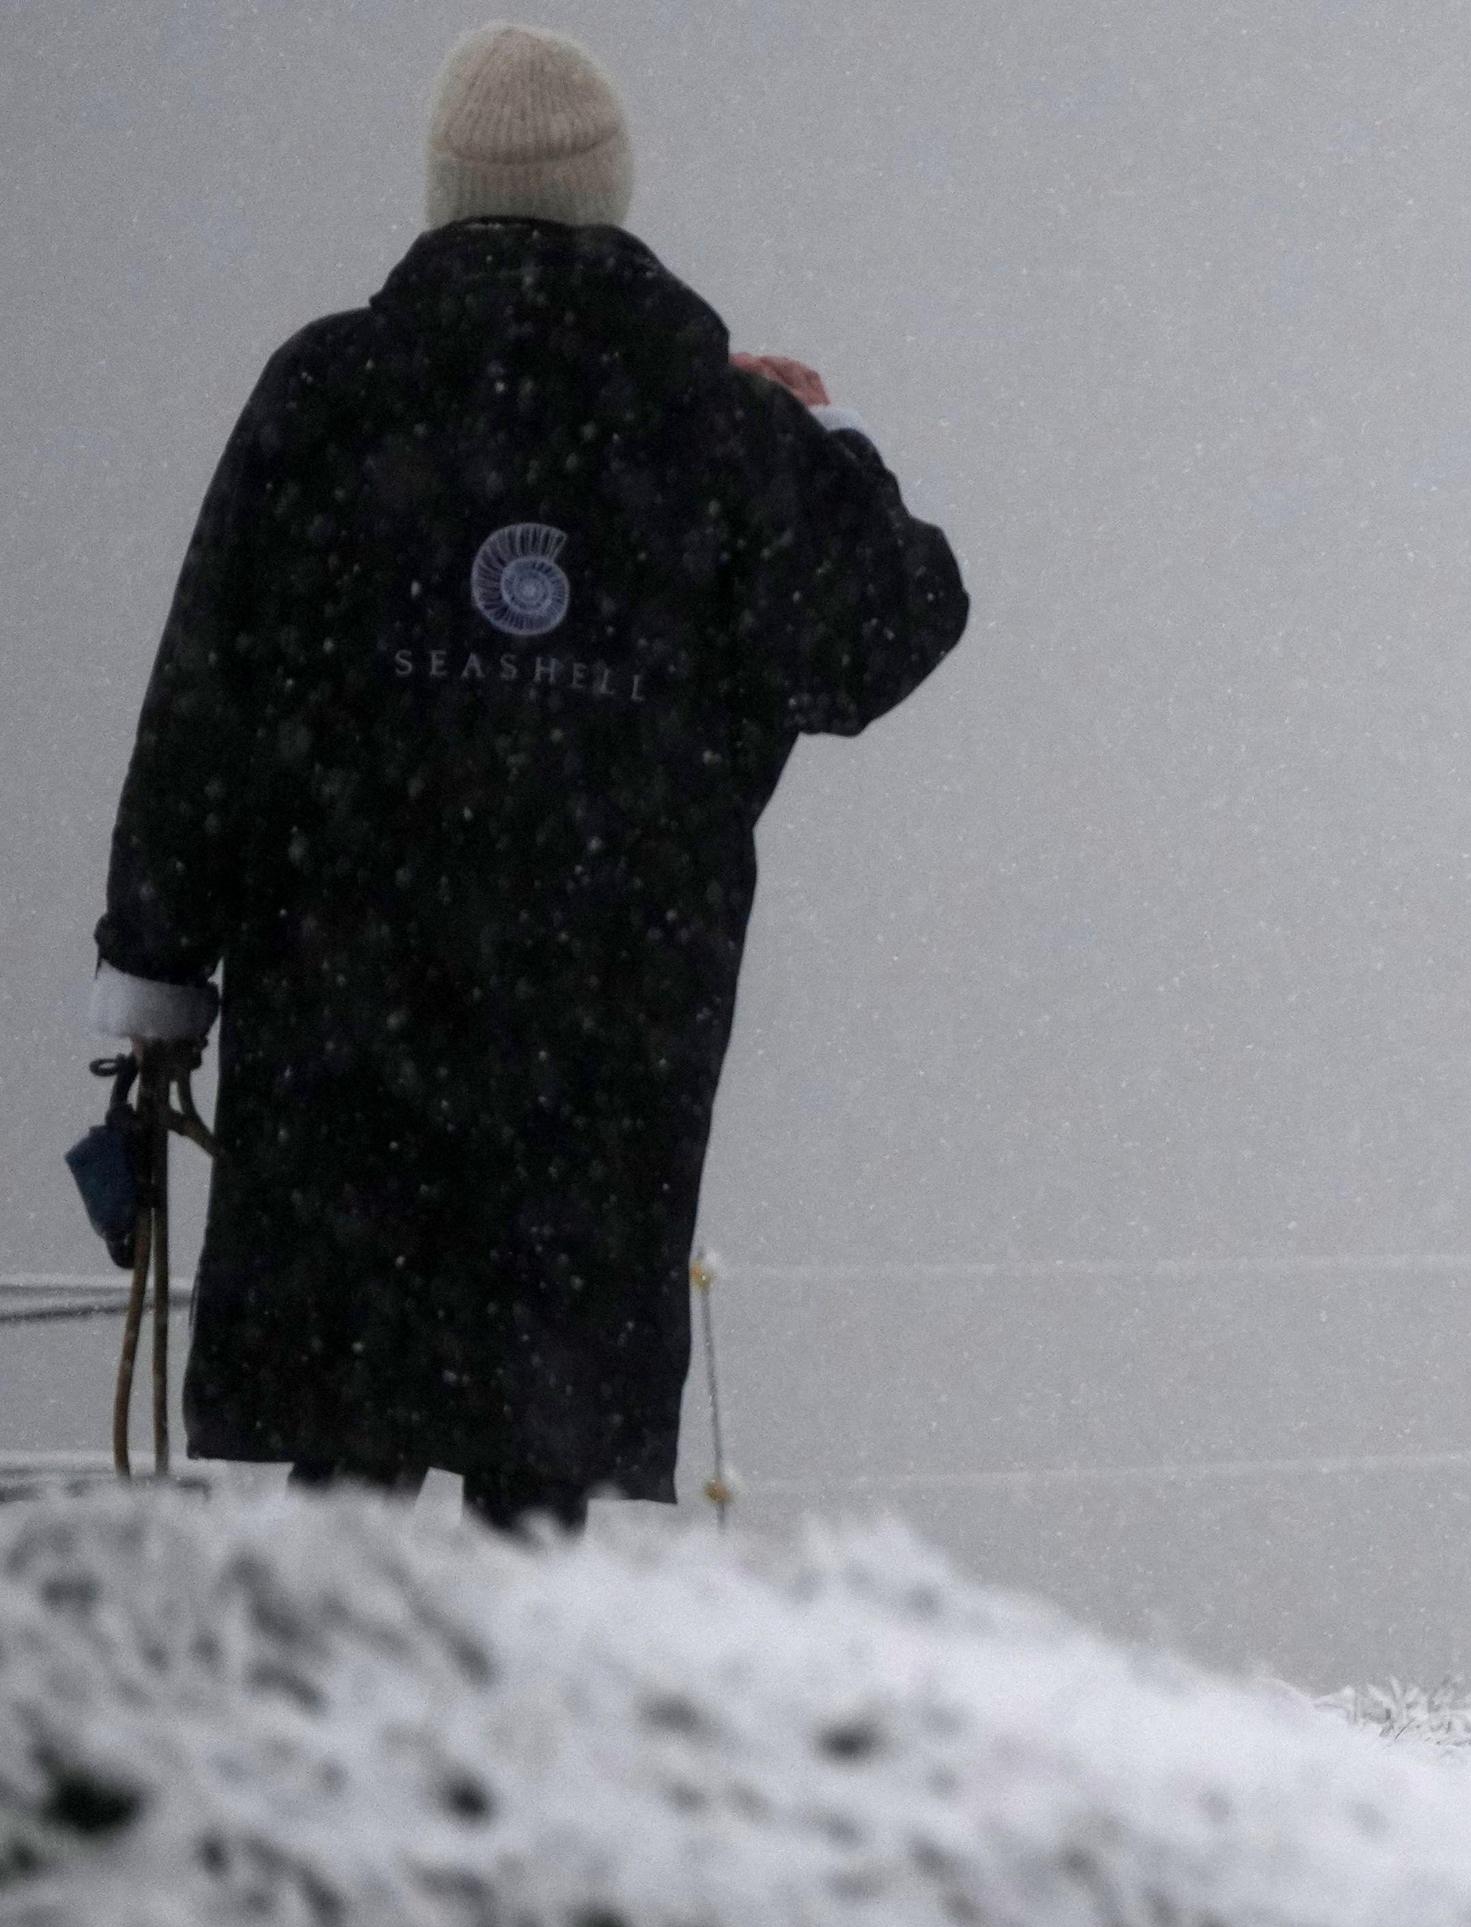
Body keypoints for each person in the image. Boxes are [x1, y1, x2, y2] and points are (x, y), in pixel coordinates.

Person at [83, 23, 969, 1534]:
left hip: (342, 1042)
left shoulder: (330, 395)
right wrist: (813, 436)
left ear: (444, 195)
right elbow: (887, 626)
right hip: (603, 1051)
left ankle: (327, 1752)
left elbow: (207, 707)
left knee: (343, 1483)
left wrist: (158, 974)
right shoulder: (708, 427)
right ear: (608, 196)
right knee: (544, 1511)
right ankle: (512, 1757)